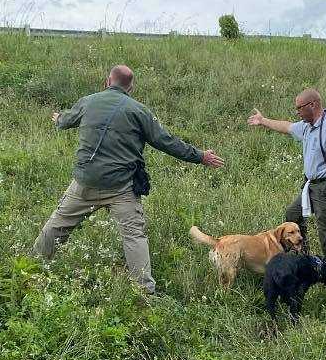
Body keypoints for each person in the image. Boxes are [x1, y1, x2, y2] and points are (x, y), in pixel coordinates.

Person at [33, 65, 224, 294]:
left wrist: (58, 118)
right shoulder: (139, 111)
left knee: (58, 224)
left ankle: (32, 266)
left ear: (107, 81)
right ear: (130, 87)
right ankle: (144, 291)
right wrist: (200, 156)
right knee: (134, 235)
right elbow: (166, 141)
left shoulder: (88, 101)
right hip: (120, 187)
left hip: (85, 182)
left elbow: (64, 121)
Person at [247, 88, 326, 279]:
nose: (297, 112)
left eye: (299, 108)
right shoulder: (307, 126)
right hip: (311, 186)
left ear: (312, 105)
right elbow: (287, 126)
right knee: (293, 214)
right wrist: (263, 121)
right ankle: (304, 260)